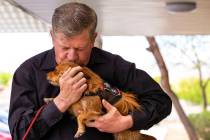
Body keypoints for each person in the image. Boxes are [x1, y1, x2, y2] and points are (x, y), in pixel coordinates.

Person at [8, 2, 172, 140]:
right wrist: (61, 102)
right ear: (52, 36)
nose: (71, 56)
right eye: (64, 47)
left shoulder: (114, 65)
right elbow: (20, 133)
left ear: (93, 39)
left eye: (80, 48)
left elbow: (161, 101)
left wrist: (126, 122)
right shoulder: (28, 72)